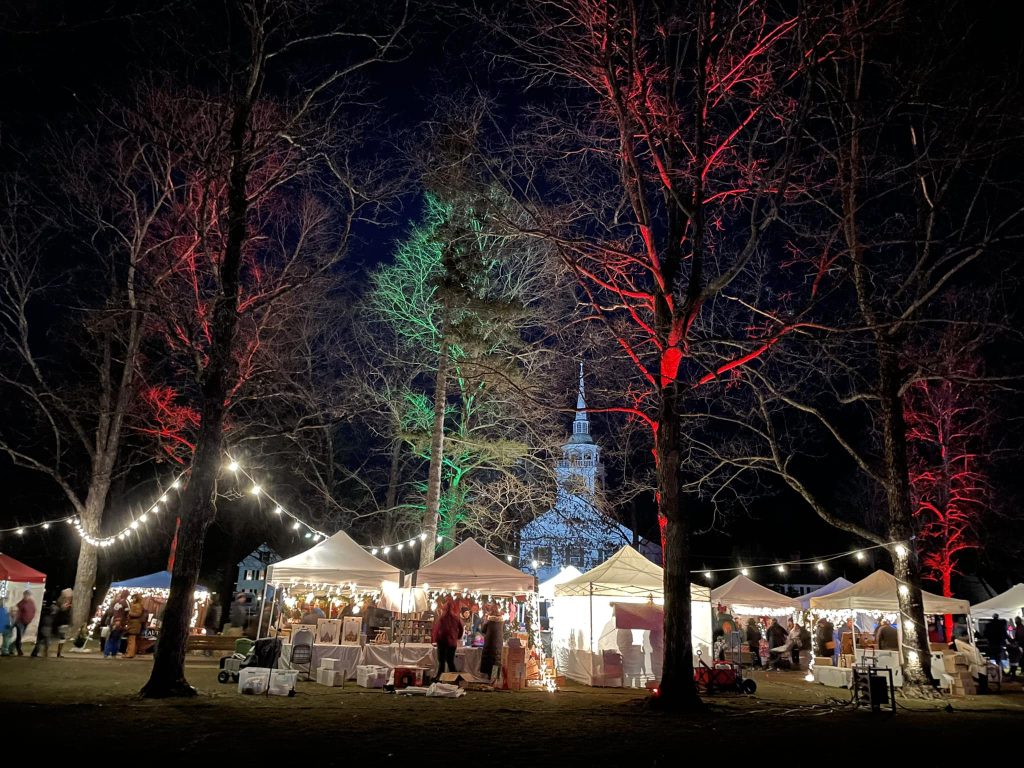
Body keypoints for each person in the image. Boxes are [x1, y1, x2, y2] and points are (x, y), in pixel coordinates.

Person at [431, 600, 464, 679]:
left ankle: (440, 677)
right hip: (452, 642)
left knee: (441, 661)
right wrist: (457, 637)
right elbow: (461, 629)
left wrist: (434, 639)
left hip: (442, 641)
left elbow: (437, 629)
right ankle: (455, 677)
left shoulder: (442, 618)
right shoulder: (456, 618)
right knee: (450, 661)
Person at [479, 607, 504, 680]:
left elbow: (483, 630)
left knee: (488, 660)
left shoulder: (488, 622)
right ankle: (494, 678)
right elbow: (504, 632)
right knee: (496, 660)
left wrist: (485, 620)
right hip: (498, 644)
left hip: (489, 644)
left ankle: (489, 678)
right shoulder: (501, 622)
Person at [103, 592, 128, 658]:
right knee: (112, 638)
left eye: (120, 596)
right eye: (118, 596)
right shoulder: (114, 604)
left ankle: (114, 652)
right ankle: (107, 653)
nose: (119, 597)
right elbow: (110, 613)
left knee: (117, 638)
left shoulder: (121, 604)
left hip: (119, 624)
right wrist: (115, 621)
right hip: (114, 623)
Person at [13, 590, 36, 656]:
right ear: (24, 595)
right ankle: (19, 650)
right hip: (20, 622)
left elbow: (33, 610)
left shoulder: (31, 602)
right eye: (25, 595)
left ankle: (11, 648)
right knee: (19, 636)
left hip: (26, 622)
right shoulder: (21, 603)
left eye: (28, 595)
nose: (27, 596)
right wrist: (17, 621)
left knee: (20, 636)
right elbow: (17, 613)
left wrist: (31, 619)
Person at [124, 593, 145, 658]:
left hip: (134, 624)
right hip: (133, 624)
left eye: (134, 598)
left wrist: (130, 613)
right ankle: (130, 652)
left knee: (131, 639)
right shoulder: (135, 605)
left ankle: (130, 653)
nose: (133, 599)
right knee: (131, 639)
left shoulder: (138, 605)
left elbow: (138, 614)